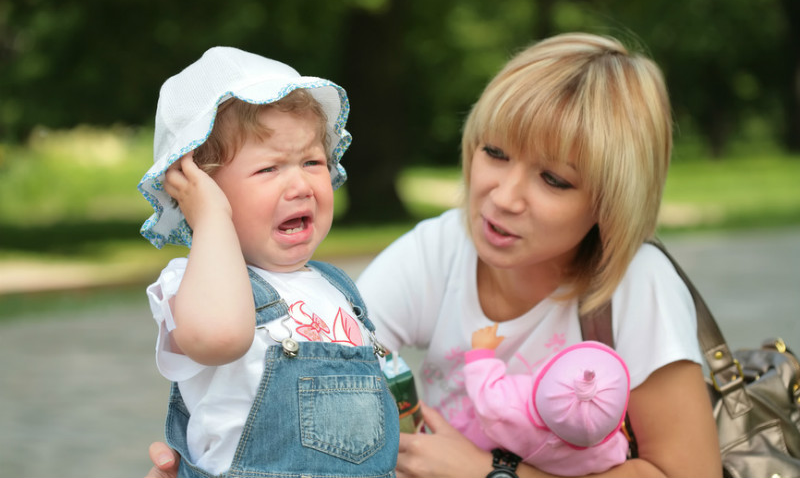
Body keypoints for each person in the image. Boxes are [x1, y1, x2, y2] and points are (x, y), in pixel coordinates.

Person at [147, 32, 722, 478]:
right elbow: (306, 365)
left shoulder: (635, 284)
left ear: (611, 200)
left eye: (553, 178)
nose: (503, 195)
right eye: (495, 152)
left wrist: (493, 472)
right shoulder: (445, 246)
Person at [138, 46, 398, 478]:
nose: (301, 185)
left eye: (313, 161)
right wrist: (212, 220)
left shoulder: (336, 287)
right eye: (269, 169)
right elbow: (222, 337)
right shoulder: (191, 283)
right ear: (198, 195)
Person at [464, 324, 630, 475]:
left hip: (468, 444)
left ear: (545, 373)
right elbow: (619, 452)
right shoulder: (599, 452)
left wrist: (482, 351)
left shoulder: (507, 405)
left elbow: (483, 388)